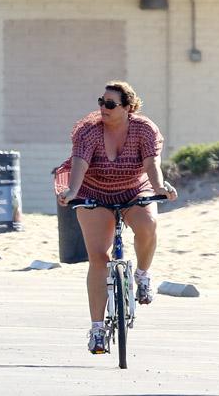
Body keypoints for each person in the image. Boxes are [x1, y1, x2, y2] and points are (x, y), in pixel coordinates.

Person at [54, 80, 178, 354]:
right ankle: (97, 329)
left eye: (110, 104)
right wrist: (72, 191)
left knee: (148, 225)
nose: (103, 107)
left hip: (134, 189)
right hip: (94, 191)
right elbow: (80, 163)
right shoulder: (89, 130)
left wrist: (160, 187)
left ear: (128, 107)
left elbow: (151, 163)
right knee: (99, 258)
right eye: (101, 101)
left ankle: (143, 275)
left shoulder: (144, 129)